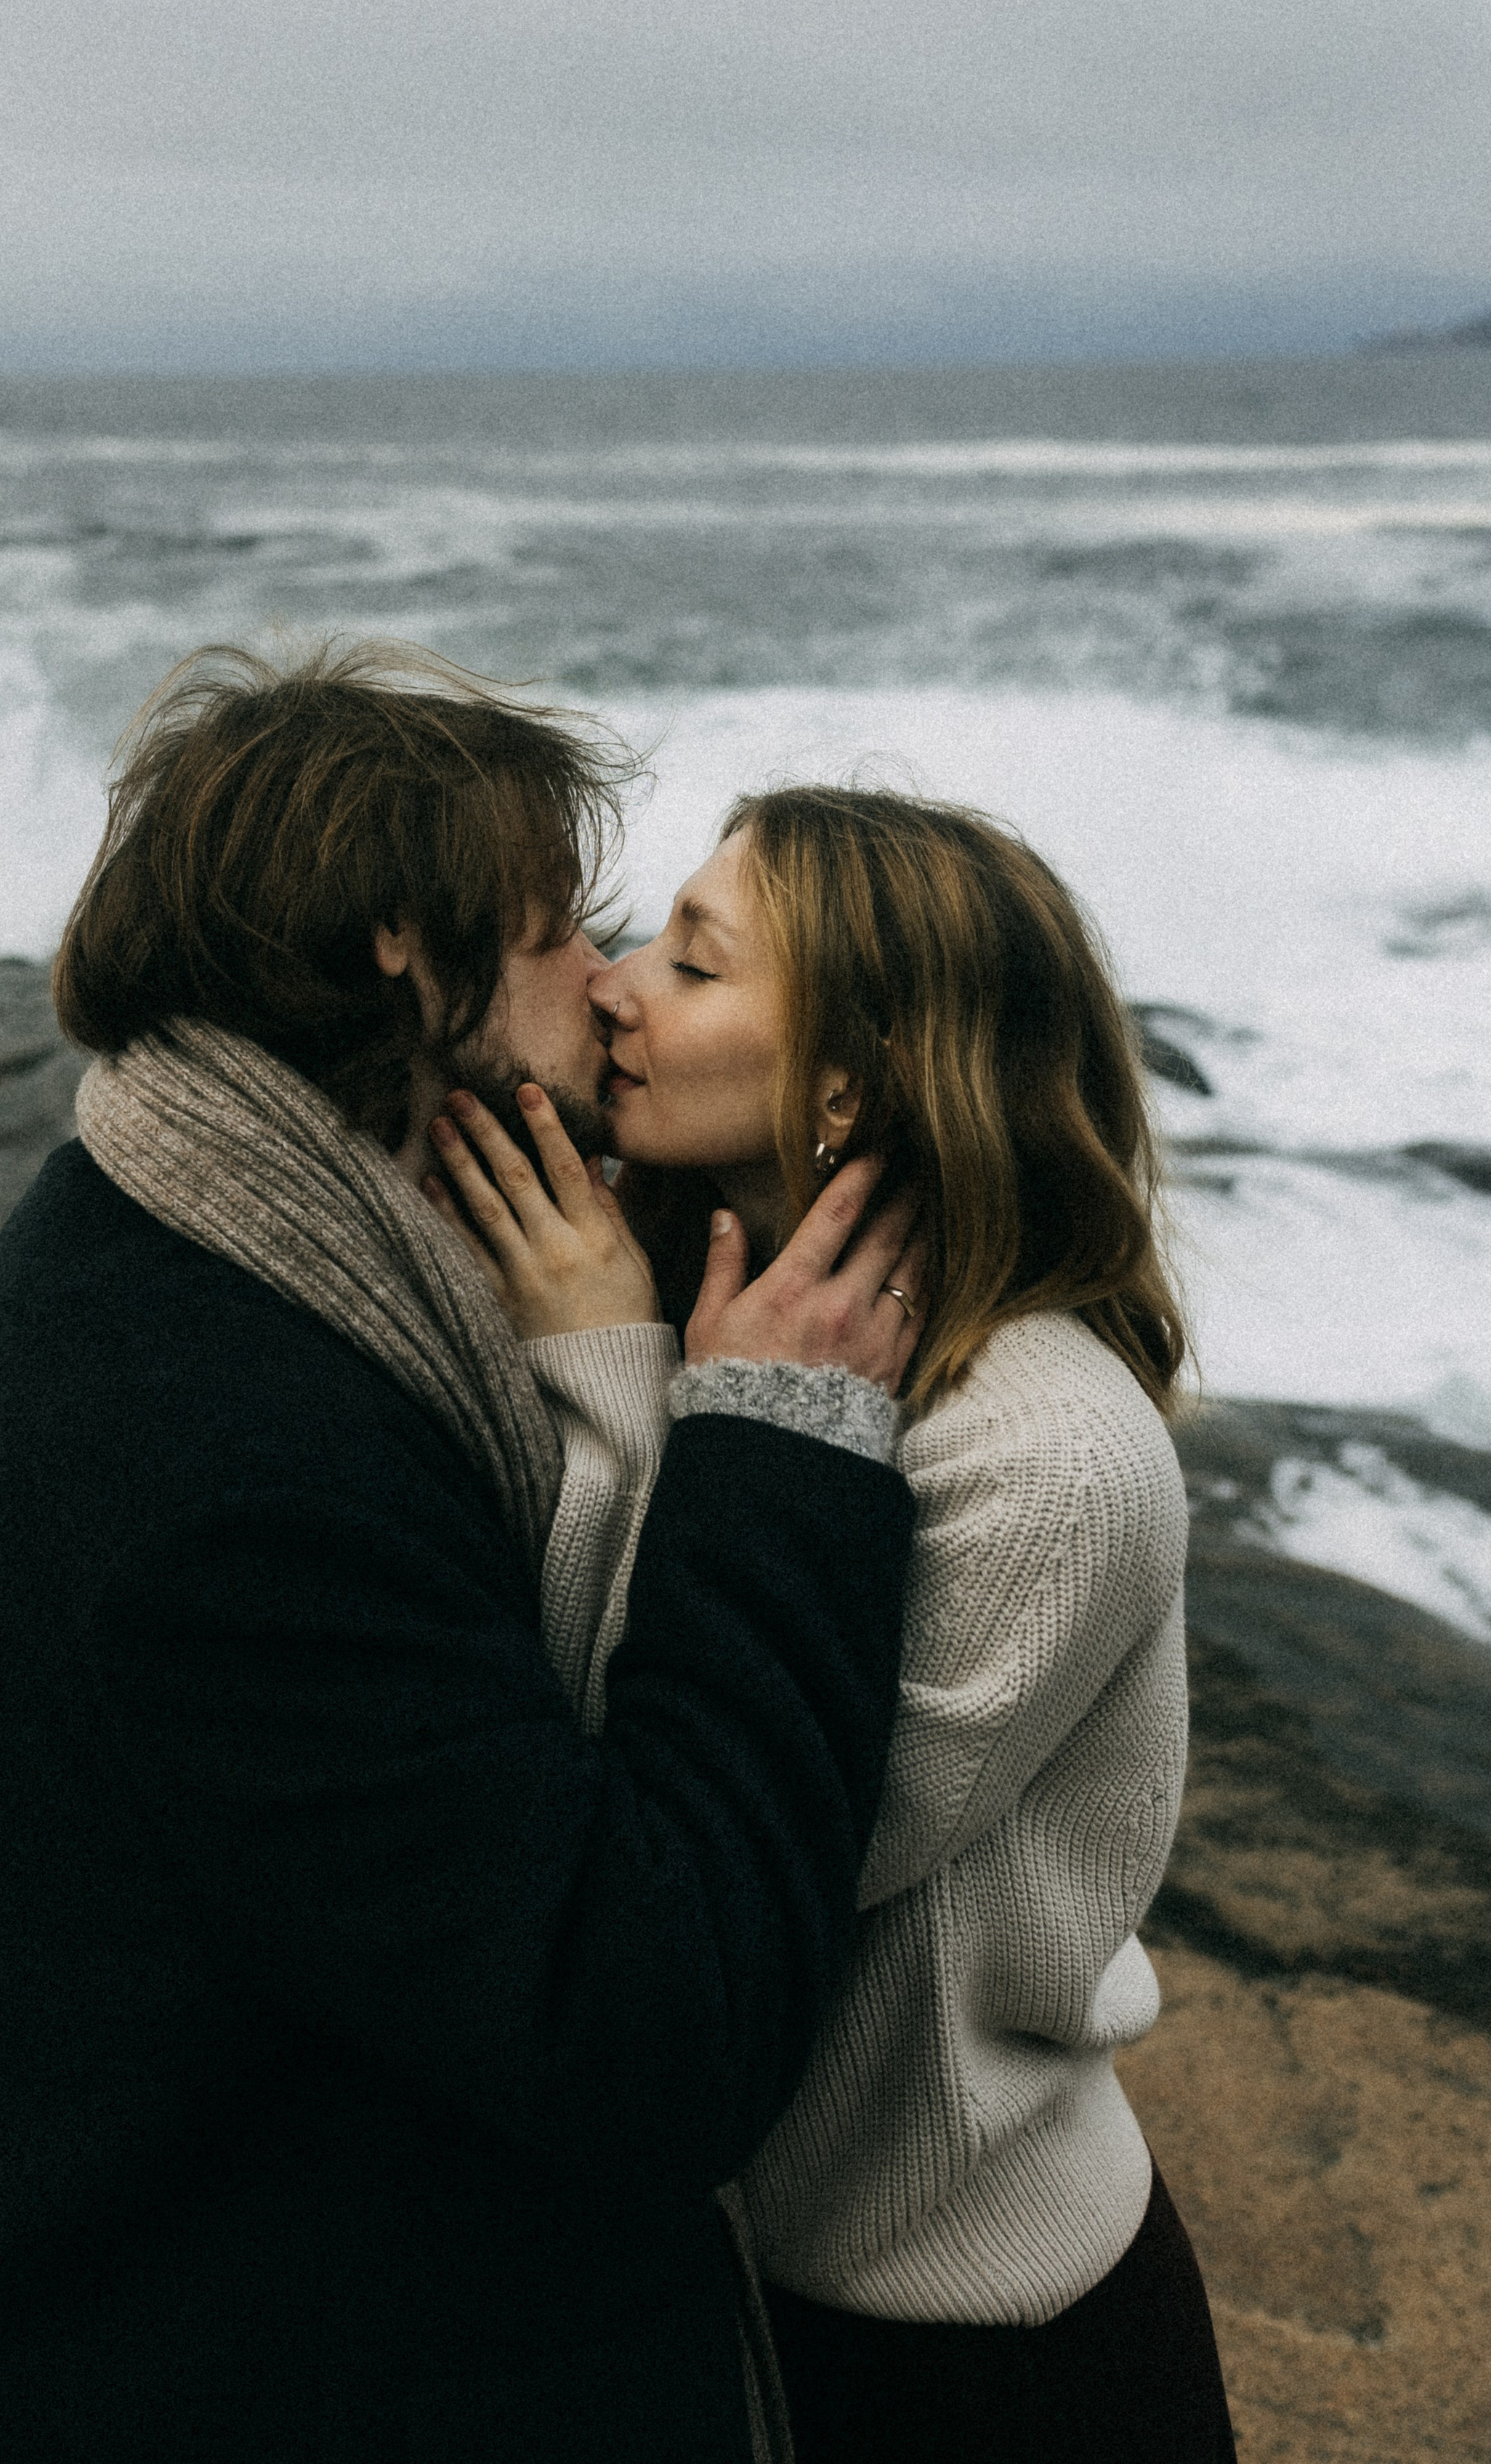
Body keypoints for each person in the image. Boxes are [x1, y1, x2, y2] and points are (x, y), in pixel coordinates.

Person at [0, 647, 927, 2464]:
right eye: (551, 933)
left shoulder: (178, 1206)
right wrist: (782, 1445)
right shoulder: (222, 1453)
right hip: (283, 2378)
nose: (601, 981)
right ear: (401, 943)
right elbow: (646, 2027)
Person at [426, 785, 1240, 2464]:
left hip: (968, 2336)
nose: (616, 990)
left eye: (695, 967)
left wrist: (613, 1380)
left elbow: (698, 1853)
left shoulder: (1043, 1453)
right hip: (716, 2273)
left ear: (852, 1081)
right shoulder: (673, 1268)